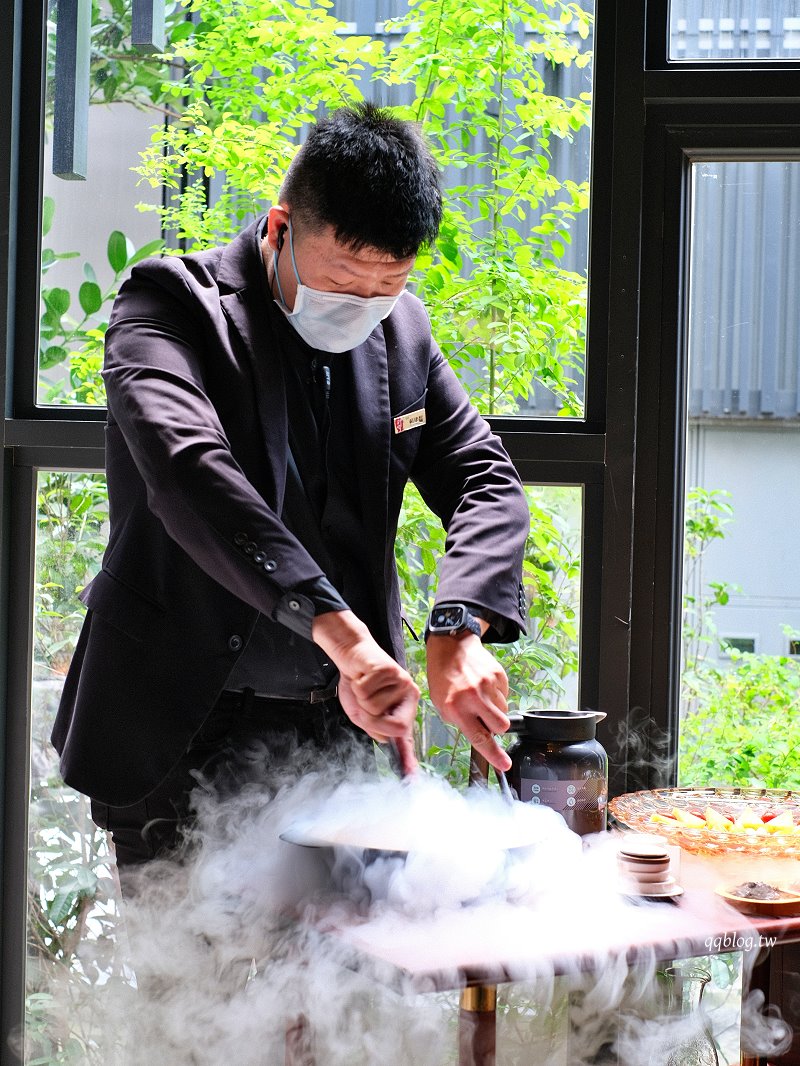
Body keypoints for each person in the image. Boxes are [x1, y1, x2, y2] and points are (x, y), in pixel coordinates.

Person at [51, 102, 530, 870]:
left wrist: (457, 628)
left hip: (334, 733)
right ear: (279, 228)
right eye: (343, 281)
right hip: (178, 725)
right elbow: (190, 474)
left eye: (388, 286)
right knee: (188, 986)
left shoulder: (403, 331)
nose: (364, 307)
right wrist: (345, 636)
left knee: (332, 978)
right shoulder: (168, 308)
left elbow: (484, 475)